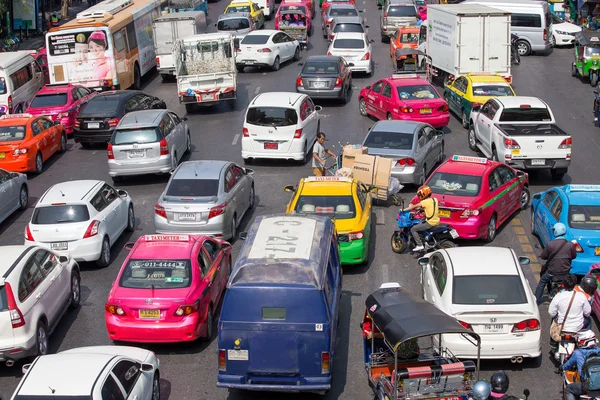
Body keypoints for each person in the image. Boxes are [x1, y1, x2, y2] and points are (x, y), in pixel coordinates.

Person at [535, 222, 577, 305]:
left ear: (556, 232)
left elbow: (544, 256)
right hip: (565, 272)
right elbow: (574, 256)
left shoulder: (550, 244)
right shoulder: (570, 245)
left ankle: (536, 301)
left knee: (542, 282)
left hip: (551, 272)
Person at [549, 274, 591, 339]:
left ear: (564, 284)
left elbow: (551, 312)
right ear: (575, 284)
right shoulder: (581, 296)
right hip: (578, 327)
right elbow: (587, 312)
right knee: (589, 319)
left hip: (562, 327)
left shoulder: (558, 296)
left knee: (553, 319)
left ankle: (553, 345)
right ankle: (586, 338)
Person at [563, 331, 600, 400]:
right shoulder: (598, 350)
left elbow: (567, 366)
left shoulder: (578, 353)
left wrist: (561, 368)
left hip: (587, 385)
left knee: (569, 389)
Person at [402, 185, 439, 252]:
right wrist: (422, 210)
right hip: (437, 221)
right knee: (422, 222)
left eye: (419, 194)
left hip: (430, 222)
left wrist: (403, 210)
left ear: (422, 194)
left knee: (413, 229)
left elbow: (412, 207)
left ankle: (419, 245)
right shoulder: (435, 199)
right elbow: (430, 208)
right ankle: (426, 241)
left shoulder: (424, 202)